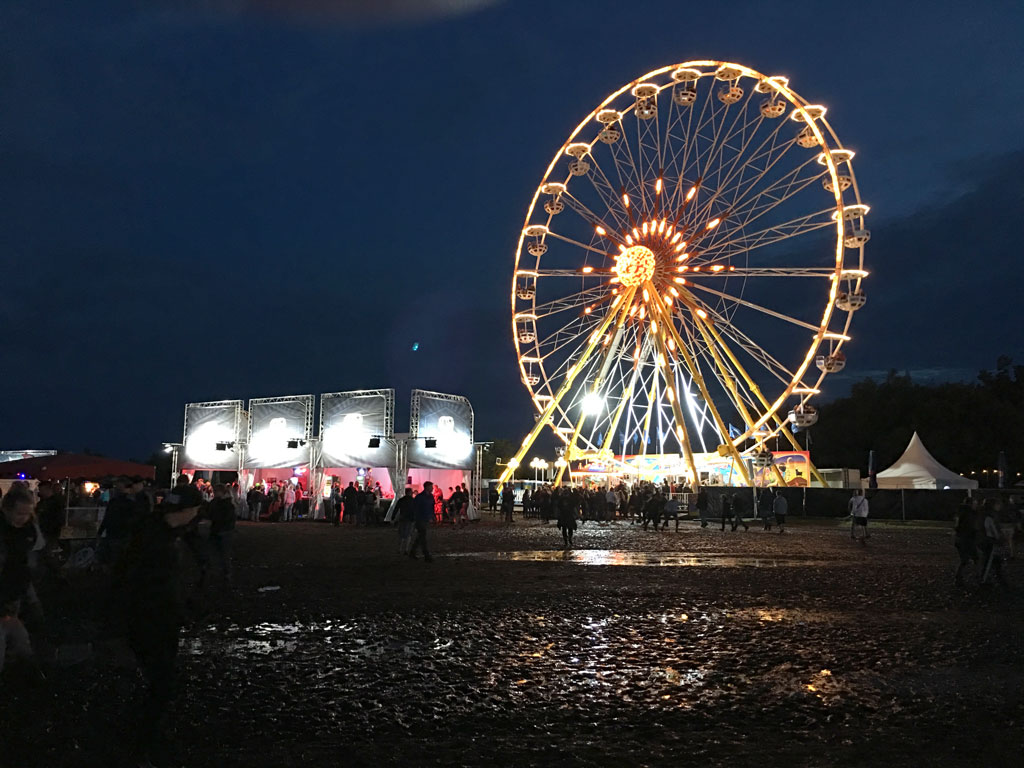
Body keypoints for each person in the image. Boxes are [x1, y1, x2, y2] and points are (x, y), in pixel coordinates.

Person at [119, 473, 203, 763]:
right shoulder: (158, 539)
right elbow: (150, 582)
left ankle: (144, 734)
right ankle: (142, 742)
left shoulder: (157, 532)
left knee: (159, 679)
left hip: (157, 616)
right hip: (151, 618)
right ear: (189, 511)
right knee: (161, 680)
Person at [0, 487, 45, 680]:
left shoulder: (28, 530)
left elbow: (28, 562)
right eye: (20, 513)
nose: (24, 518)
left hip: (15, 591)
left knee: (16, 633)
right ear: (6, 509)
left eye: (28, 513)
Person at [96, 477, 137, 569]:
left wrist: (100, 532)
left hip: (113, 533)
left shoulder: (114, 502)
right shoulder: (131, 503)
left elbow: (107, 518)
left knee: (112, 559)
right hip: (124, 535)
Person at [207, 484, 235, 584]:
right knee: (223, 554)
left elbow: (211, 514)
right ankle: (224, 573)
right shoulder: (227, 503)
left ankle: (223, 573)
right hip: (223, 530)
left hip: (220, 530)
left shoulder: (220, 503)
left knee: (220, 553)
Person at [979, 500, 1007, 587]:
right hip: (990, 541)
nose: (999, 507)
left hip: (987, 540)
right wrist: (999, 538)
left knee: (994, 561)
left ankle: (995, 578)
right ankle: (985, 579)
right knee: (990, 561)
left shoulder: (985, 516)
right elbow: (993, 530)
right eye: (997, 505)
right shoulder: (990, 517)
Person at [953, 497, 978, 587]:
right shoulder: (970, 514)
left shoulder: (960, 513)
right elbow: (971, 527)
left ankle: (959, 577)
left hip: (960, 538)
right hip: (967, 539)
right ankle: (979, 577)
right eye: (975, 503)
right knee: (970, 559)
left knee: (965, 559)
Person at [409, 482, 435, 562]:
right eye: (431, 487)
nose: (432, 488)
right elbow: (416, 508)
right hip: (420, 519)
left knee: (420, 536)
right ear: (427, 487)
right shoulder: (420, 497)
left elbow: (431, 507)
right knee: (422, 536)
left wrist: (432, 516)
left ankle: (412, 552)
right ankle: (426, 554)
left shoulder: (430, 497)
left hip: (425, 519)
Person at [395, 488, 415, 554]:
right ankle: (406, 549)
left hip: (402, 518)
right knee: (409, 534)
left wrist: (392, 517)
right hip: (410, 519)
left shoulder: (401, 500)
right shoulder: (413, 500)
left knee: (401, 534)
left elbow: (396, 508)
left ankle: (399, 549)